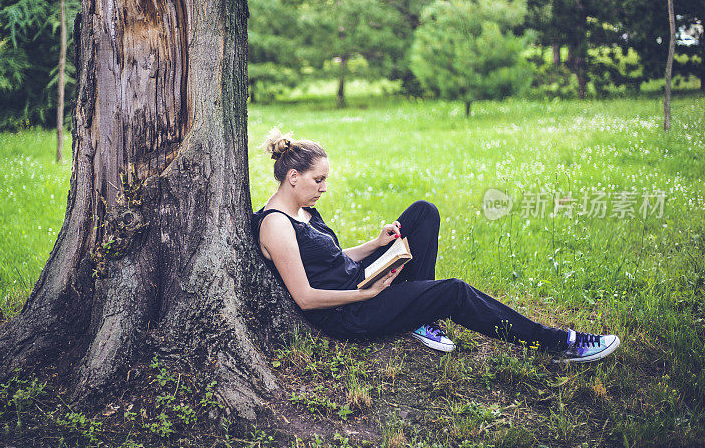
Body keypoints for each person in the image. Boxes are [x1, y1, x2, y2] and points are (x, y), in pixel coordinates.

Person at [251, 129, 620, 363]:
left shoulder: (302, 209)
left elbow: (332, 259)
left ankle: (420, 316)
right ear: (293, 176)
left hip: (359, 281)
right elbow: (305, 297)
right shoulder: (276, 226)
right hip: (349, 313)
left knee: (422, 213)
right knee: (454, 293)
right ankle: (561, 343)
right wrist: (367, 295)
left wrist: (377, 244)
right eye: (319, 180)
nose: (324, 188)